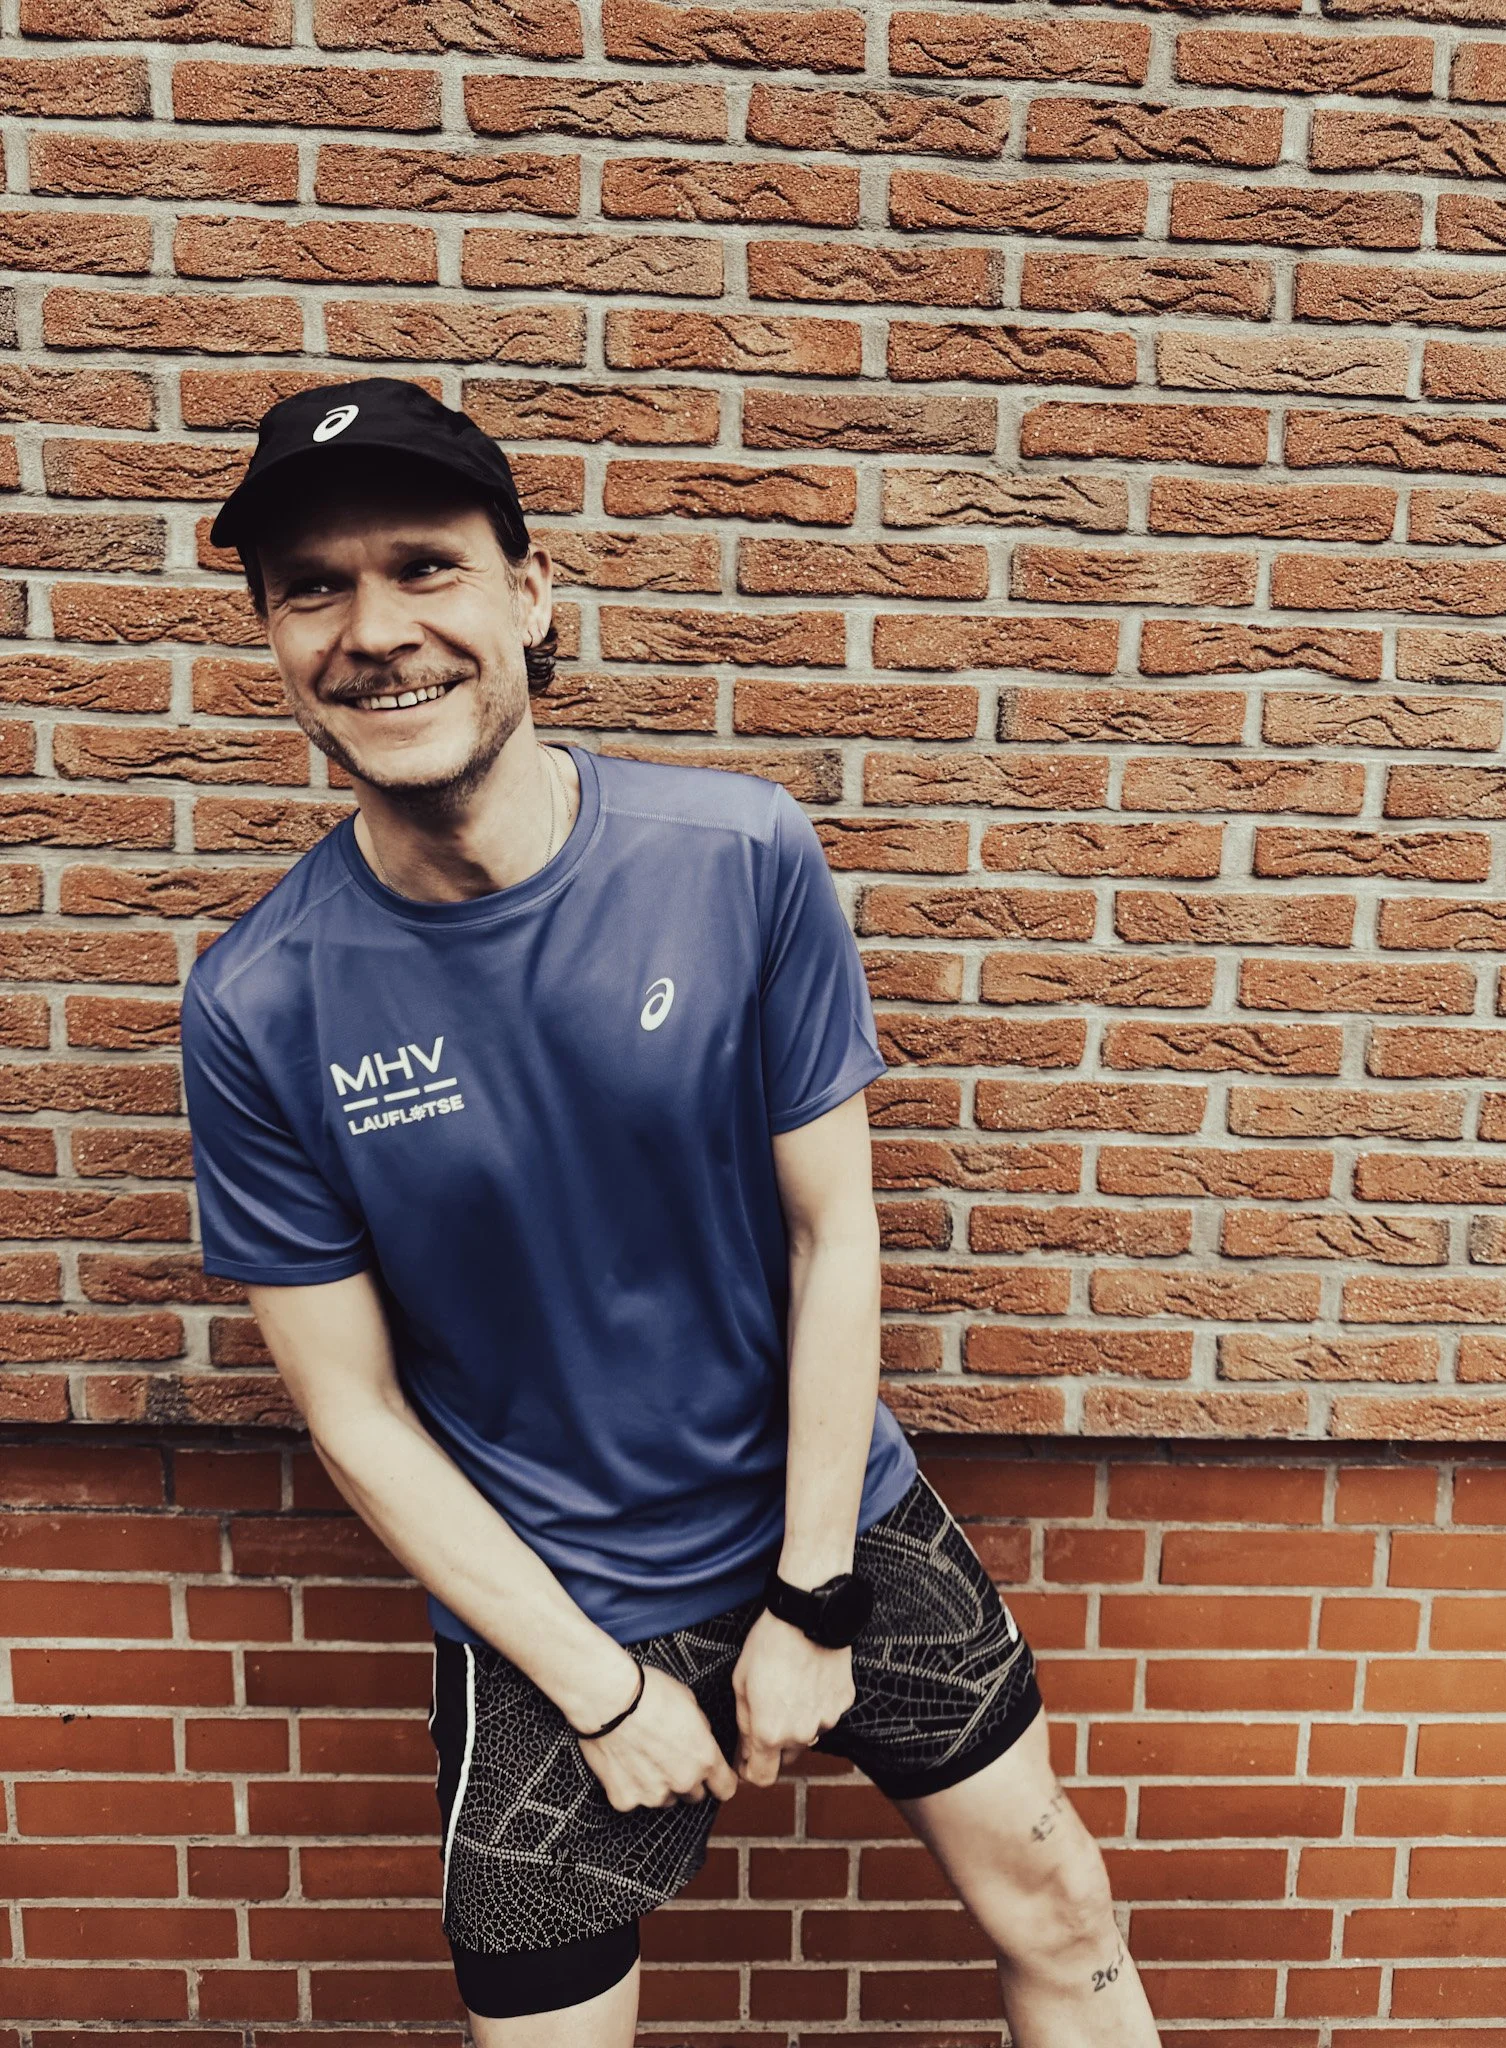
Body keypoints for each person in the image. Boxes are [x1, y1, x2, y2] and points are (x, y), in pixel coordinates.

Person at [181, 376, 1162, 2048]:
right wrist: (600, 1687)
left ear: (531, 594)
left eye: (425, 566)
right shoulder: (260, 1002)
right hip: (546, 1595)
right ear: (273, 638)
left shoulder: (736, 856)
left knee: (1065, 1915)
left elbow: (831, 1236)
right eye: (313, 588)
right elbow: (354, 1414)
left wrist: (815, 1597)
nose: (374, 630)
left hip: (832, 1519)